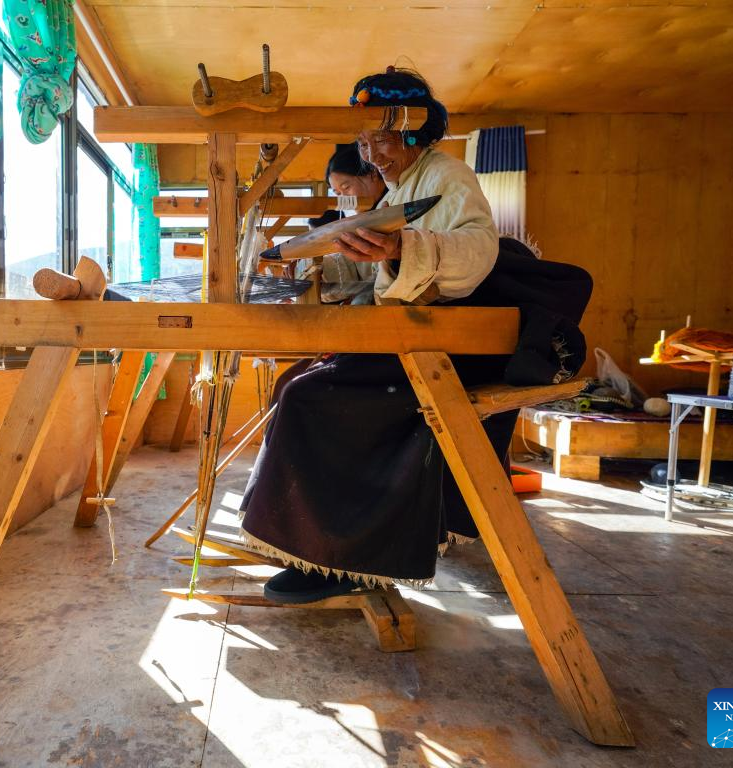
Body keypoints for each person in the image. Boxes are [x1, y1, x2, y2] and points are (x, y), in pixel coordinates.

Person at [238, 67, 591, 604]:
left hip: (453, 349)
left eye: (381, 137)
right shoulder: (402, 188)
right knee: (297, 379)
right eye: (364, 141)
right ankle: (307, 541)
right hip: (422, 338)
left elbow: (478, 250)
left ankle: (343, 557)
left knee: (313, 396)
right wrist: (320, 266)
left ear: (412, 129)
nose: (372, 153)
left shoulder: (447, 175)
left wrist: (405, 248)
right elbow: (372, 272)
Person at [309, 144, 387, 304]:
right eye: (338, 193)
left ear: (372, 174)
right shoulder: (363, 219)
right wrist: (316, 269)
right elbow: (354, 267)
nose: (344, 198)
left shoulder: (393, 207)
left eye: (346, 187)